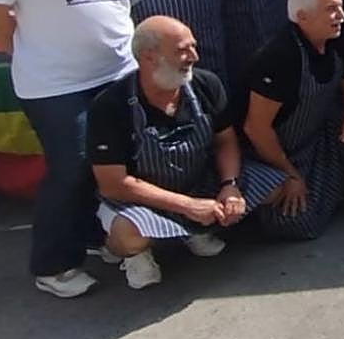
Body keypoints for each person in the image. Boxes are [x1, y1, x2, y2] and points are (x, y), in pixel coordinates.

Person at [0, 0, 136, 298]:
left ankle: (95, 237)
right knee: (71, 166)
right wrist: (21, 51)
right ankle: (53, 264)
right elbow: (0, 14)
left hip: (117, 72)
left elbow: (120, 5)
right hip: (54, 84)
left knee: (110, 164)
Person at [88, 17, 272, 289]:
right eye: (182, 50)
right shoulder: (110, 106)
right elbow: (113, 184)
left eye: (193, 47)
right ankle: (136, 254)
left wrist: (229, 185)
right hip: (141, 202)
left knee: (277, 187)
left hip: (200, 184)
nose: (194, 57)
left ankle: (196, 229)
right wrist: (187, 206)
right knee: (128, 236)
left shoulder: (206, 84)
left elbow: (225, 140)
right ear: (149, 57)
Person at [241, 0, 344, 239]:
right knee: (298, 224)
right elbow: (256, 128)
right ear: (302, 16)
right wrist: (289, 173)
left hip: (319, 137)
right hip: (273, 152)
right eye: (331, 9)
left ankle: (334, 186)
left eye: (341, 7)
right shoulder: (279, 56)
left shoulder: (336, 39)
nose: (341, 16)